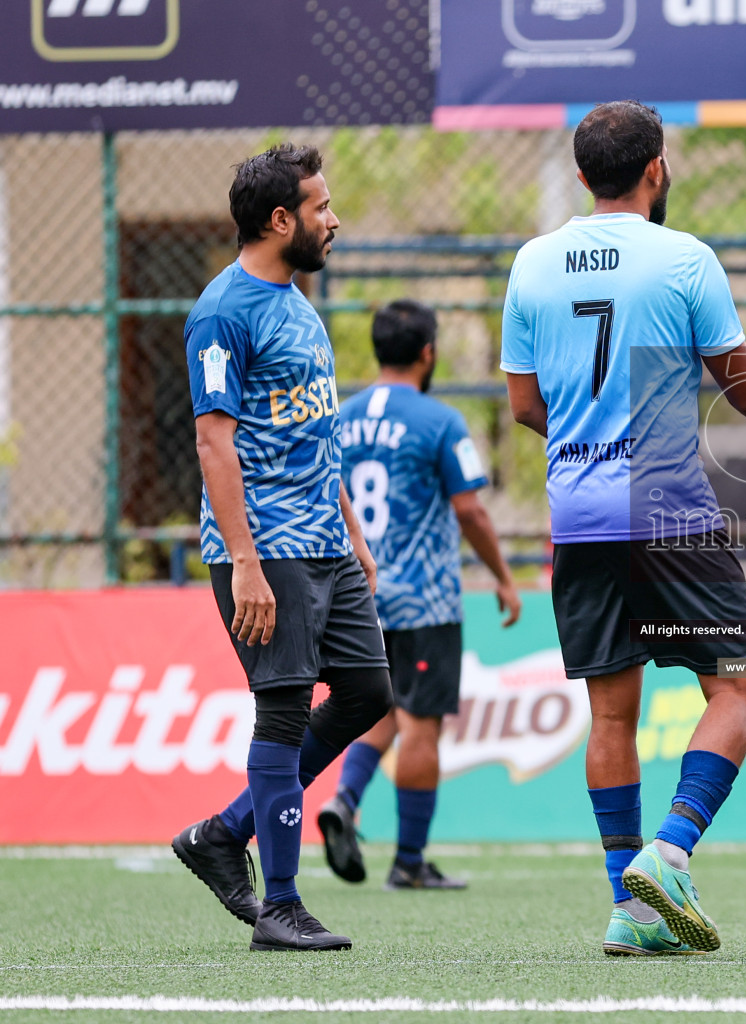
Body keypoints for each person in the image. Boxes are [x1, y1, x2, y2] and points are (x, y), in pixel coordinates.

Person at [501, 100, 746, 956]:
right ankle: (670, 850)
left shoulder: (532, 264)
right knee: (738, 689)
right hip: (666, 507)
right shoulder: (686, 259)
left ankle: (629, 909)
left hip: (579, 513)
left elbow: (523, 406)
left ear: (583, 176)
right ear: (657, 168)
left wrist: (590, 440)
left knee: (612, 713)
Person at [172, 144, 394, 952]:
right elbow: (213, 443)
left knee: (370, 692)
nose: (333, 220)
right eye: (322, 207)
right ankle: (282, 904)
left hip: (325, 544)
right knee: (285, 706)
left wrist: (352, 530)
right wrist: (246, 563)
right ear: (279, 220)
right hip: (265, 551)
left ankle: (223, 833)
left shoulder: (299, 302)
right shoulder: (221, 313)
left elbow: (312, 431)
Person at [316, 300, 523, 890]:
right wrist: (504, 577)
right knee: (422, 723)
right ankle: (408, 861)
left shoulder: (340, 416)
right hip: (424, 602)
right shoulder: (440, 421)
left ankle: (346, 800)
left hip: (356, 593)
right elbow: (470, 508)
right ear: (428, 352)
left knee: (384, 707)